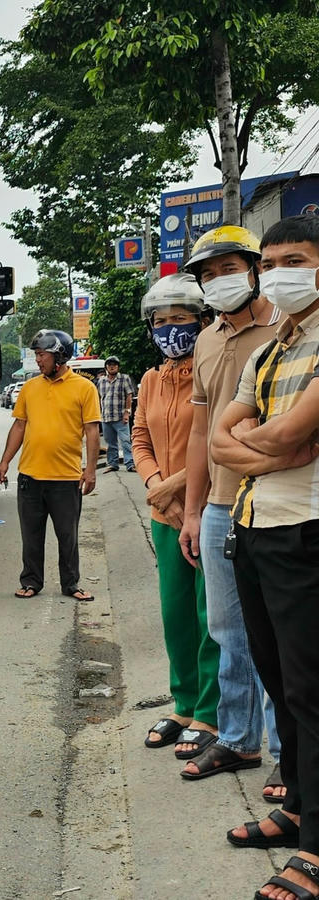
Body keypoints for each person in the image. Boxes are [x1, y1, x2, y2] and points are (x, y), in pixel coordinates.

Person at [208, 215, 319, 900]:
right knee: (281, 682)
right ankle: (300, 805)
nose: (279, 271)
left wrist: (272, 442)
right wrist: (274, 448)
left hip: (307, 529)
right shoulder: (272, 348)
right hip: (254, 525)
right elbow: (226, 436)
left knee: (313, 691)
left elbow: (289, 430)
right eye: (271, 260)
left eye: (295, 258)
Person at [176, 225, 285, 790]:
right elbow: (199, 433)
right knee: (227, 629)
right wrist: (193, 512)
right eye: (208, 274)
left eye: (228, 268)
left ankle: (289, 759)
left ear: (255, 268)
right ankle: (239, 741)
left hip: (277, 500)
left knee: (280, 632)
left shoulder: (288, 328)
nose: (220, 282)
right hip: (220, 504)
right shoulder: (208, 339)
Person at [130, 275, 224, 770]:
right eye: (162, 322)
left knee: (212, 616)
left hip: (208, 509)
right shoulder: (149, 379)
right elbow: (139, 435)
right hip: (164, 514)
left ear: (201, 320)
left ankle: (209, 712)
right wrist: (154, 484)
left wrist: (174, 487)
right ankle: (183, 703)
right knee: (176, 616)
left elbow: (216, 440)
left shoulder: (212, 369)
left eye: (180, 319)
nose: (171, 330)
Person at [0, 329, 101, 601]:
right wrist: (5, 461)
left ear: (60, 356)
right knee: (31, 536)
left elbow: (91, 431)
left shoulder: (84, 388)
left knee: (68, 537)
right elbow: (19, 426)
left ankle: (71, 584)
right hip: (30, 477)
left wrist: (90, 471)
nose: (38, 360)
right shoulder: (29, 388)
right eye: (37, 355)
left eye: (42, 355)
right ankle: (31, 581)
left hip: (66, 479)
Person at [97, 355, 135, 472]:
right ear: (106, 367)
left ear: (118, 366)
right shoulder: (101, 381)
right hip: (106, 417)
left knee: (125, 441)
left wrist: (127, 413)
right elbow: (99, 398)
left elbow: (129, 396)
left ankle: (130, 464)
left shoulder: (124, 378)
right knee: (110, 443)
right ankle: (113, 464)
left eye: (114, 365)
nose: (112, 367)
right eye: (109, 365)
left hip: (120, 417)